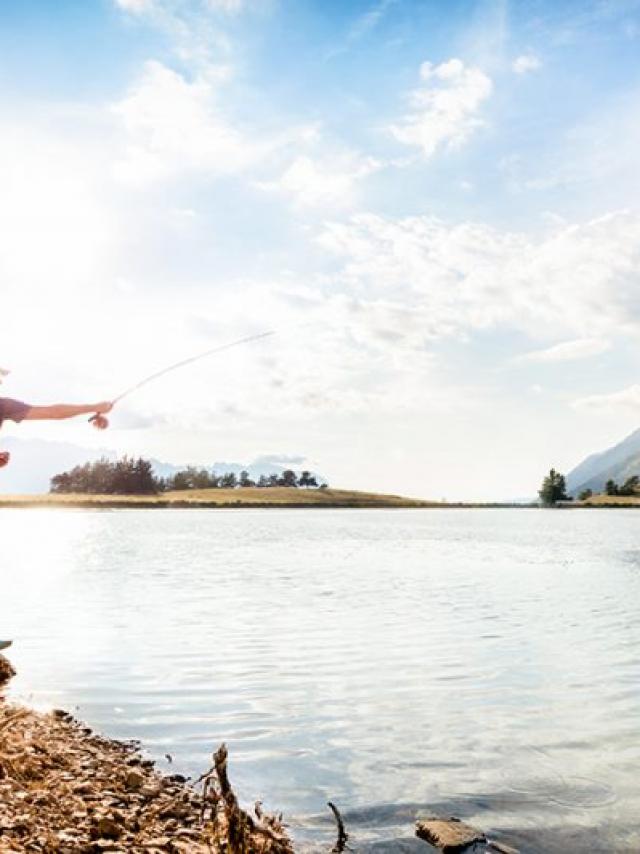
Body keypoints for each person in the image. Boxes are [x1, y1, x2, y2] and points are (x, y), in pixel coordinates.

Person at [0, 396, 113, 468]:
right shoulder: (4, 405)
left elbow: (53, 412)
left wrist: (95, 407)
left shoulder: (4, 406)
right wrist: (95, 407)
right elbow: (53, 413)